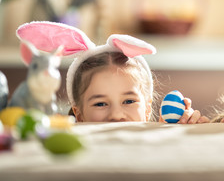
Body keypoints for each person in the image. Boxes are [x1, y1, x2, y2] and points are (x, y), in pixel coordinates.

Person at [16, 21, 209, 123]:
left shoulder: (159, 137)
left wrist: (179, 130)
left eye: (129, 101)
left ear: (148, 108)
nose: (117, 115)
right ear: (79, 115)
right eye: (100, 103)